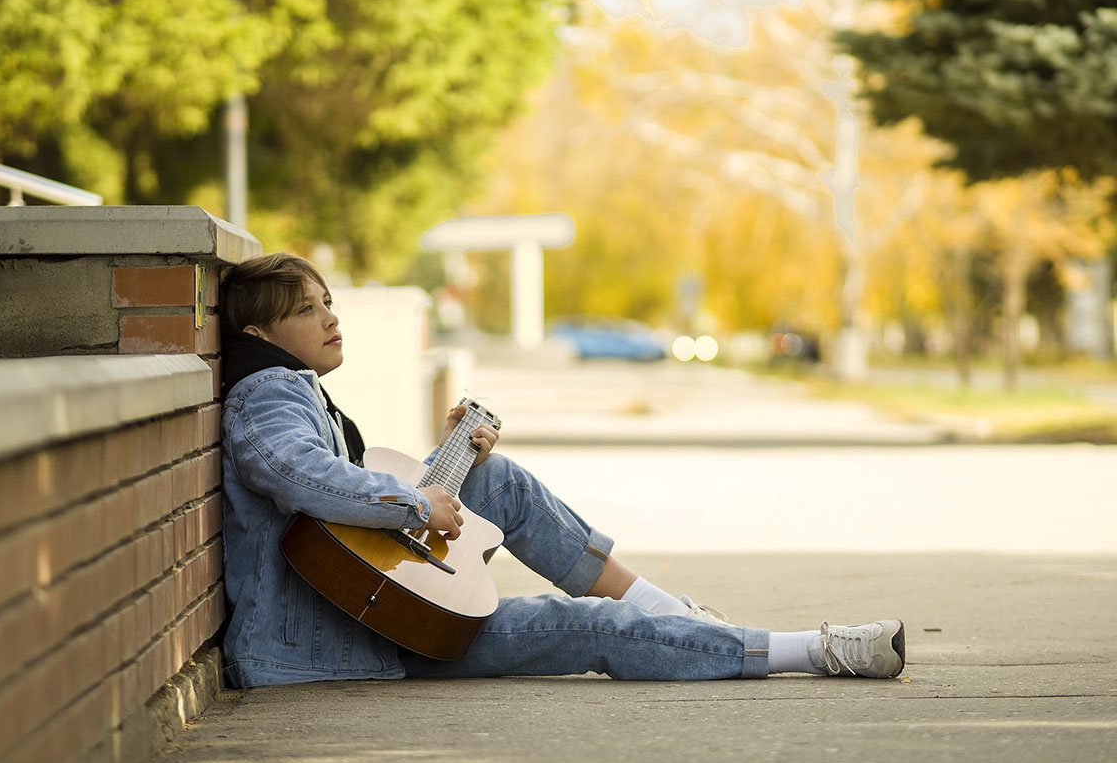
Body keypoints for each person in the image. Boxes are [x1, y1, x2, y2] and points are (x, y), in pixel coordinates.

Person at [217, 251, 905, 687]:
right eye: (306, 310)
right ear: (257, 335)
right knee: (590, 625)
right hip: (348, 638)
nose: (331, 319)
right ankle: (810, 650)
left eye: (328, 301)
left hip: (364, 602)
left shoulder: (293, 383)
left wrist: (444, 463)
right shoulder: (269, 391)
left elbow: (333, 495)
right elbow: (294, 470)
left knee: (496, 477)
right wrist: (415, 504)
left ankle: (673, 613)